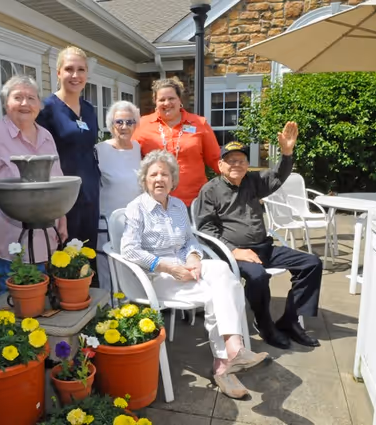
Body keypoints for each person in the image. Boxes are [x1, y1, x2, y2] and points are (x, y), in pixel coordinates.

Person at [121, 150, 269, 399]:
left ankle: (234, 349)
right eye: (154, 174)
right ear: (145, 179)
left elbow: (190, 239)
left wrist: (194, 259)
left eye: (165, 174)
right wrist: (169, 267)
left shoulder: (178, 204)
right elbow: (129, 250)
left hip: (185, 267)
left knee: (223, 271)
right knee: (217, 293)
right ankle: (224, 364)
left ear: (173, 179)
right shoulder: (136, 209)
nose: (160, 179)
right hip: (157, 276)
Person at [194, 123, 323, 350]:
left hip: (264, 247)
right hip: (234, 253)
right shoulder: (210, 190)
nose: (237, 165)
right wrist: (234, 250)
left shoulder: (253, 181)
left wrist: (287, 153)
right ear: (219, 165)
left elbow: (277, 177)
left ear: (247, 165)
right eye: (231, 161)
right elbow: (205, 229)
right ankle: (264, 323)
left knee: (311, 263)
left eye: (241, 161)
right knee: (257, 277)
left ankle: (290, 320)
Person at [0, 75, 67, 293]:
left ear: (39, 105)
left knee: (43, 305)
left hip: (46, 242)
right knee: (12, 310)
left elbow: (56, 183)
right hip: (8, 245)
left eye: (31, 98)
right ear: (6, 103)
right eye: (18, 97)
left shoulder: (46, 136)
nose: (25, 103)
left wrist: (62, 219)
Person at [36, 46, 101, 257]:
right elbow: (25, 136)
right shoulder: (46, 109)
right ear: (58, 73)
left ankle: (87, 290)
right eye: (69, 69)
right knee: (62, 254)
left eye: (81, 69)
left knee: (87, 252)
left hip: (90, 191)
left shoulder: (89, 110)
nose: (75, 75)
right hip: (62, 195)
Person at [132, 77, 221, 209]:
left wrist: (239, 182)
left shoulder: (199, 123)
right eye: (161, 99)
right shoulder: (142, 125)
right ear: (155, 103)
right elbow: (129, 156)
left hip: (194, 201)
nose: (167, 103)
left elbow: (216, 160)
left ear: (180, 100)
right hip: (155, 202)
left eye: (171, 98)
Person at [95, 101, 142, 292]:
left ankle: (134, 313)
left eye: (130, 122)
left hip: (135, 222)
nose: (124, 126)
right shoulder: (99, 150)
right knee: (109, 271)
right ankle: (110, 313)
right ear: (110, 124)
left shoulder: (138, 148)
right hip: (107, 222)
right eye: (119, 121)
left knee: (133, 271)